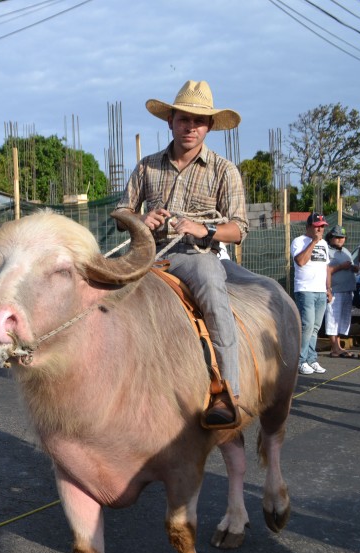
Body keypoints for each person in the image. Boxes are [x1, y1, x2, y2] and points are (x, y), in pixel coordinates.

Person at [117, 80, 246, 427]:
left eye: (199, 121)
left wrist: (204, 230)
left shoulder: (223, 170)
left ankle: (225, 392)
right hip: (146, 252)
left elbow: (238, 228)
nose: (190, 127)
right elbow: (120, 214)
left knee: (211, 288)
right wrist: (140, 219)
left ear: (209, 127)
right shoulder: (146, 166)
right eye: (183, 119)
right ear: (170, 121)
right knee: (103, 287)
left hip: (196, 255)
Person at [291, 213, 331, 375]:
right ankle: (300, 361)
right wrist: (314, 242)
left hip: (321, 290)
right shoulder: (299, 241)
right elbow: (300, 261)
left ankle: (311, 358)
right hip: (305, 289)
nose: (320, 229)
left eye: (322, 226)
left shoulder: (325, 244)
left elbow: (326, 267)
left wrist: (329, 288)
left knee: (315, 327)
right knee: (306, 326)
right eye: (317, 226)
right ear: (309, 227)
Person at [323, 226, 356, 358]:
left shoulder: (346, 251)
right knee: (332, 319)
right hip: (335, 290)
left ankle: (338, 346)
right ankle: (334, 347)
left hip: (348, 290)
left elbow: (350, 266)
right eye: (337, 237)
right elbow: (327, 271)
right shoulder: (328, 251)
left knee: (342, 320)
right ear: (330, 238)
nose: (340, 239)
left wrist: (353, 268)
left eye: (342, 237)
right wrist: (341, 267)